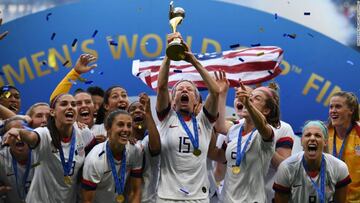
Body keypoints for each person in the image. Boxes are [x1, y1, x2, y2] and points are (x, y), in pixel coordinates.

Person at [155, 33, 220, 202]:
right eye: (179, 89)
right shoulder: (167, 118)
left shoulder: (204, 122)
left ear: (197, 100)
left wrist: (193, 61)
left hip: (198, 197)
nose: (184, 90)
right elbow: (161, 86)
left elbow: (215, 91)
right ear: (173, 101)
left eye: (189, 89)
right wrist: (169, 54)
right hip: (167, 197)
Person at [4, 93, 94, 202]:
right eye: (64, 104)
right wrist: (19, 132)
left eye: (73, 104)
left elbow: (92, 160)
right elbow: (32, 136)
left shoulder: (84, 133)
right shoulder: (45, 133)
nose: (70, 107)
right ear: (52, 112)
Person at [273, 120, 351, 203]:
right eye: (308, 135)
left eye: (317, 135)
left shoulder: (339, 167)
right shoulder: (287, 168)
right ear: (301, 141)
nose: (312, 138)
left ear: (325, 142)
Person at [81, 110, 143, 203]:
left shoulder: (135, 151)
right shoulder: (95, 159)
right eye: (120, 125)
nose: (126, 129)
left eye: (129, 125)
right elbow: (87, 201)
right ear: (108, 128)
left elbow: (135, 192)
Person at [127, 93, 161, 203]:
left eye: (141, 109)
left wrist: (148, 113)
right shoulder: (122, 142)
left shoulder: (151, 139)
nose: (137, 111)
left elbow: (155, 148)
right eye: (132, 109)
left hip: (150, 199)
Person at [327, 91, 359, 202]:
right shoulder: (323, 134)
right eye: (331, 107)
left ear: (351, 110)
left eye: (338, 107)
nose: (333, 111)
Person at [0, 117, 37, 203]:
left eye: (23, 132)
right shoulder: (1, 158)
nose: (19, 137)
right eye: (12, 134)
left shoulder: (41, 153)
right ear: (6, 138)